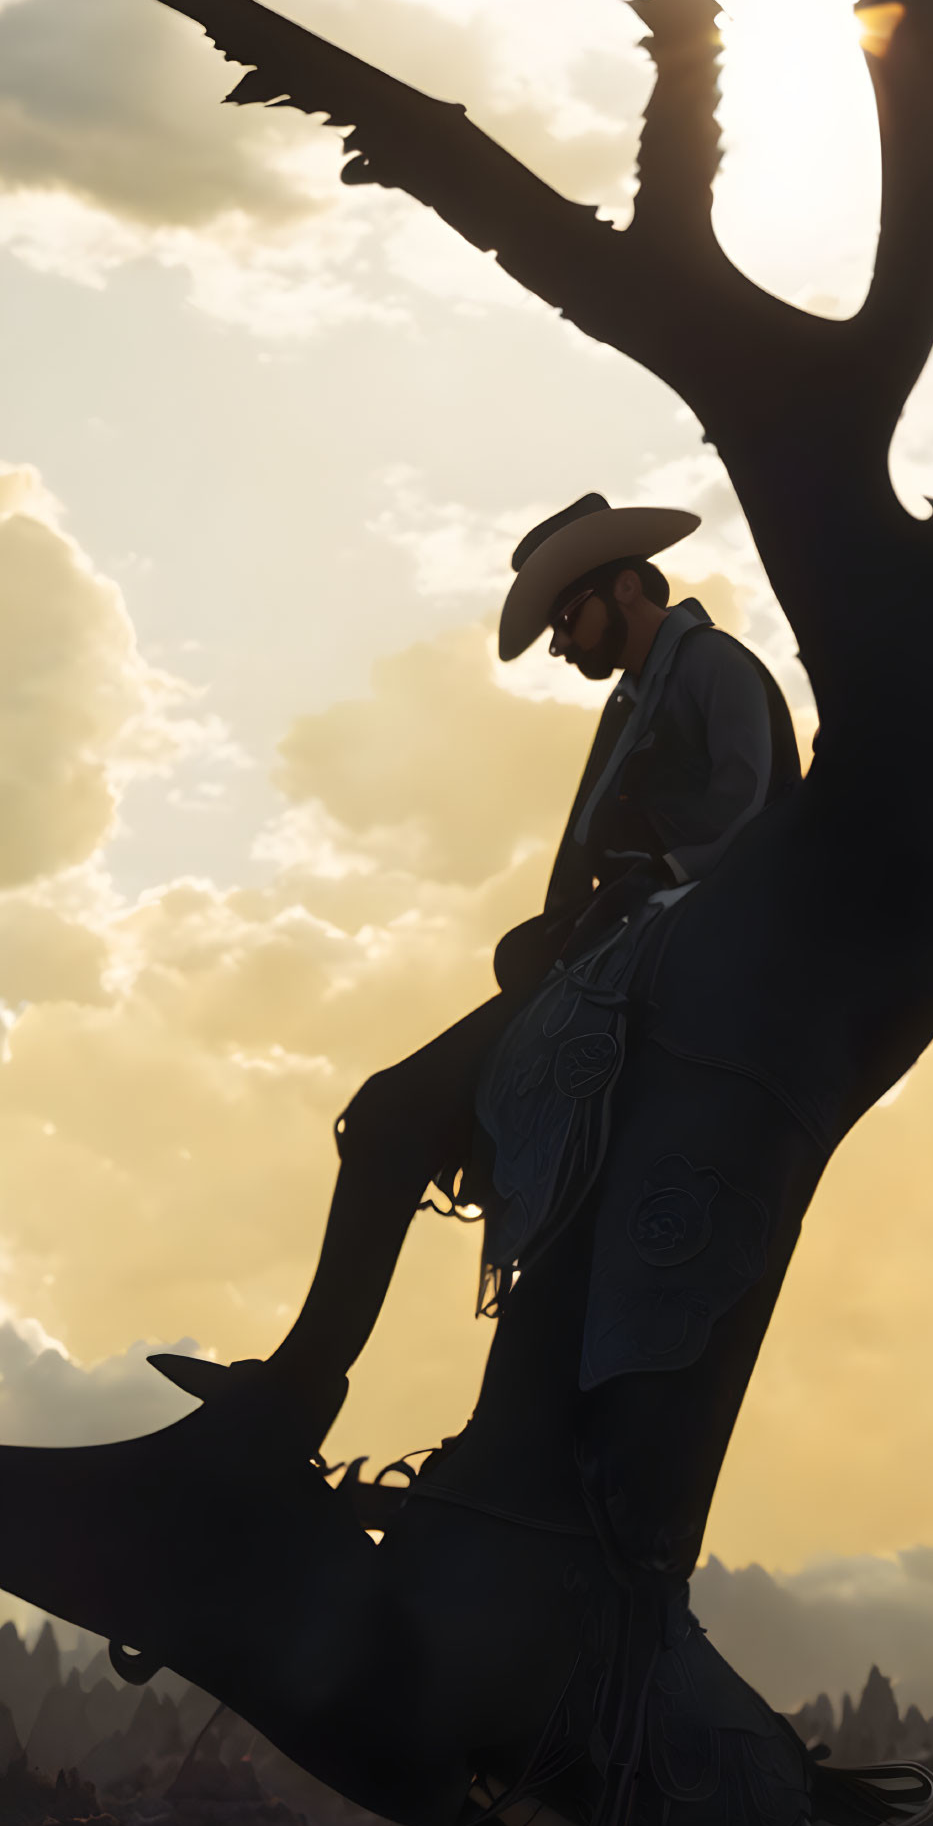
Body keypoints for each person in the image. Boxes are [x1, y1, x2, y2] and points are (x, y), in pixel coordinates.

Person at [150, 492, 801, 1464]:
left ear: (626, 588)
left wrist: (653, 883)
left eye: (568, 617)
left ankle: (300, 1393)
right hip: (608, 959)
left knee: (392, 1116)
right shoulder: (638, 696)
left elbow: (749, 809)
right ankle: (301, 1387)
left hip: (667, 966)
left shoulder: (711, 667)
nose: (560, 644)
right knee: (388, 1116)